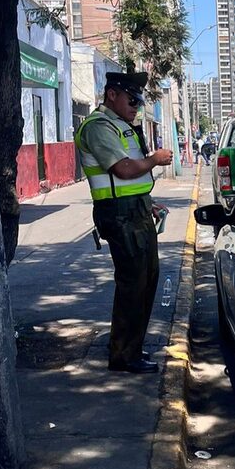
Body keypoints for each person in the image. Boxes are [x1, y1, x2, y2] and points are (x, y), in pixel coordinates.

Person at [74, 71, 173, 374]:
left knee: (147, 280)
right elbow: (124, 169)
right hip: (120, 215)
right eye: (131, 99)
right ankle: (124, 356)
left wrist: (146, 200)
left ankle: (132, 347)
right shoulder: (98, 127)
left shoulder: (119, 125)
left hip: (136, 210)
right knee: (133, 284)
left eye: (139, 101)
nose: (136, 106)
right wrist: (155, 159)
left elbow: (132, 178)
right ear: (112, 94)